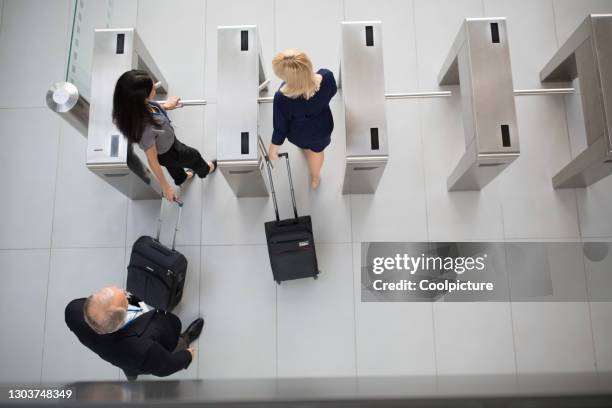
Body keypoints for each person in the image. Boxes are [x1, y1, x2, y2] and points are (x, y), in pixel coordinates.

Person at [112, 70, 216, 202]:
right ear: (141, 96)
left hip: (165, 148)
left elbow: (152, 115)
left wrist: (166, 107)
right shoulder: (145, 128)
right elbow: (153, 160)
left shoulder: (135, 106)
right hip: (169, 151)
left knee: (172, 164)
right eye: (152, 87)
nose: (155, 86)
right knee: (194, 156)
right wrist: (166, 187)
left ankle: (182, 178)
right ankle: (205, 170)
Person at [65, 287, 204, 380]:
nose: (125, 292)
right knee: (173, 347)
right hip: (145, 352)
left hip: (114, 355)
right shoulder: (143, 349)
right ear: (121, 321)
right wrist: (187, 356)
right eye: (125, 299)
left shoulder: (72, 310)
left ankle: (132, 377)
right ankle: (185, 339)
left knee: (130, 369)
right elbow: (165, 367)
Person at [268, 49, 337, 189]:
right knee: (317, 152)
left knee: (304, 146)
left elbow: (280, 128)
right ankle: (315, 177)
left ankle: (305, 148)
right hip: (321, 129)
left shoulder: (282, 98)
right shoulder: (327, 77)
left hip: (298, 134)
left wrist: (273, 149)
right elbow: (333, 91)